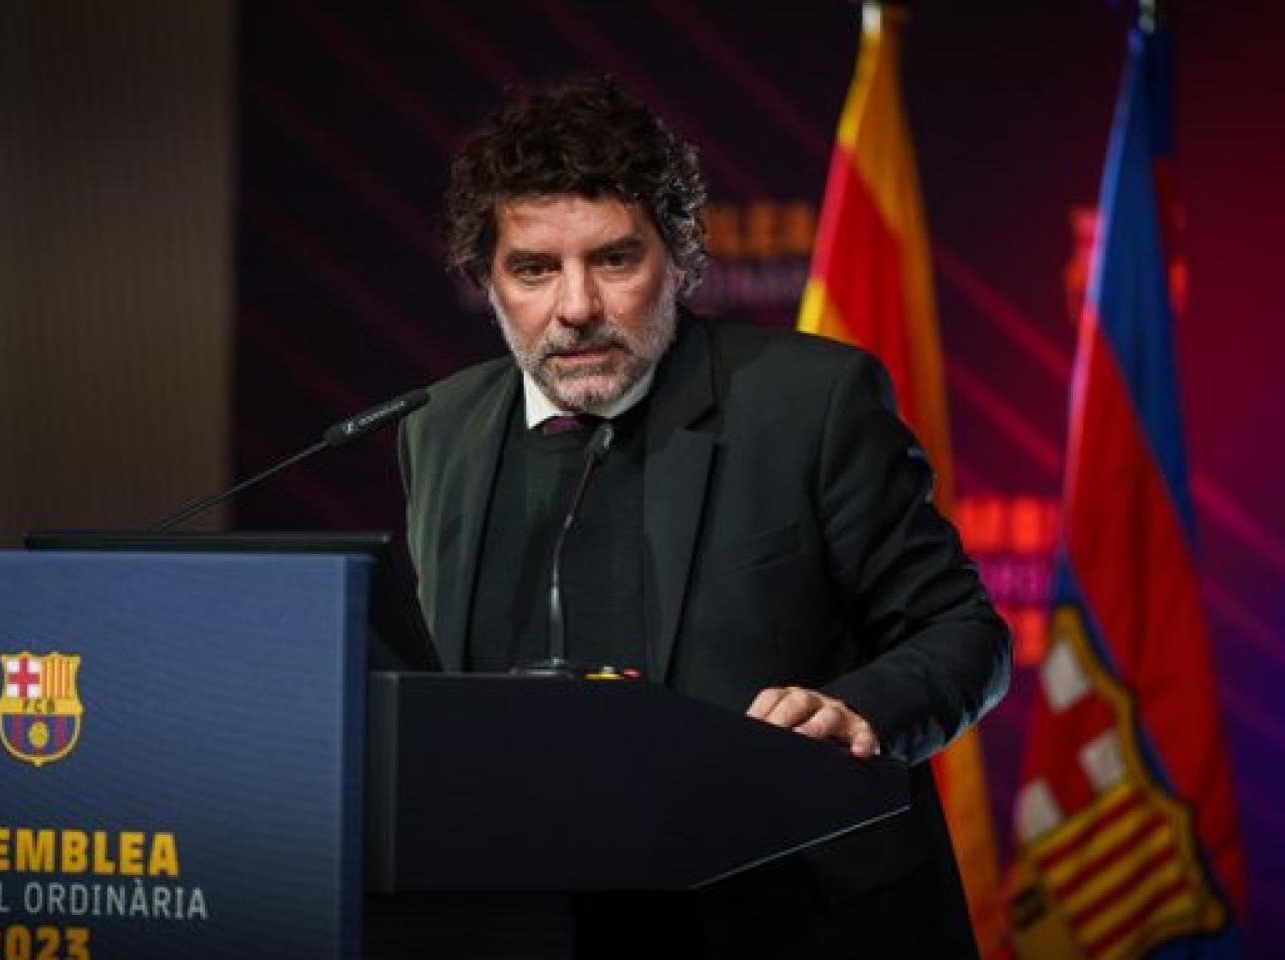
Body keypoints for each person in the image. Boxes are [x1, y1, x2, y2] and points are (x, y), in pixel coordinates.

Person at [398, 76, 1010, 959]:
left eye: (615, 260)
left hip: (781, 919)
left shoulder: (809, 402)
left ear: (679, 259)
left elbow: (964, 632)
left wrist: (856, 710)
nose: (575, 309)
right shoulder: (437, 428)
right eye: (534, 269)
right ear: (488, 282)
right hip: (523, 917)